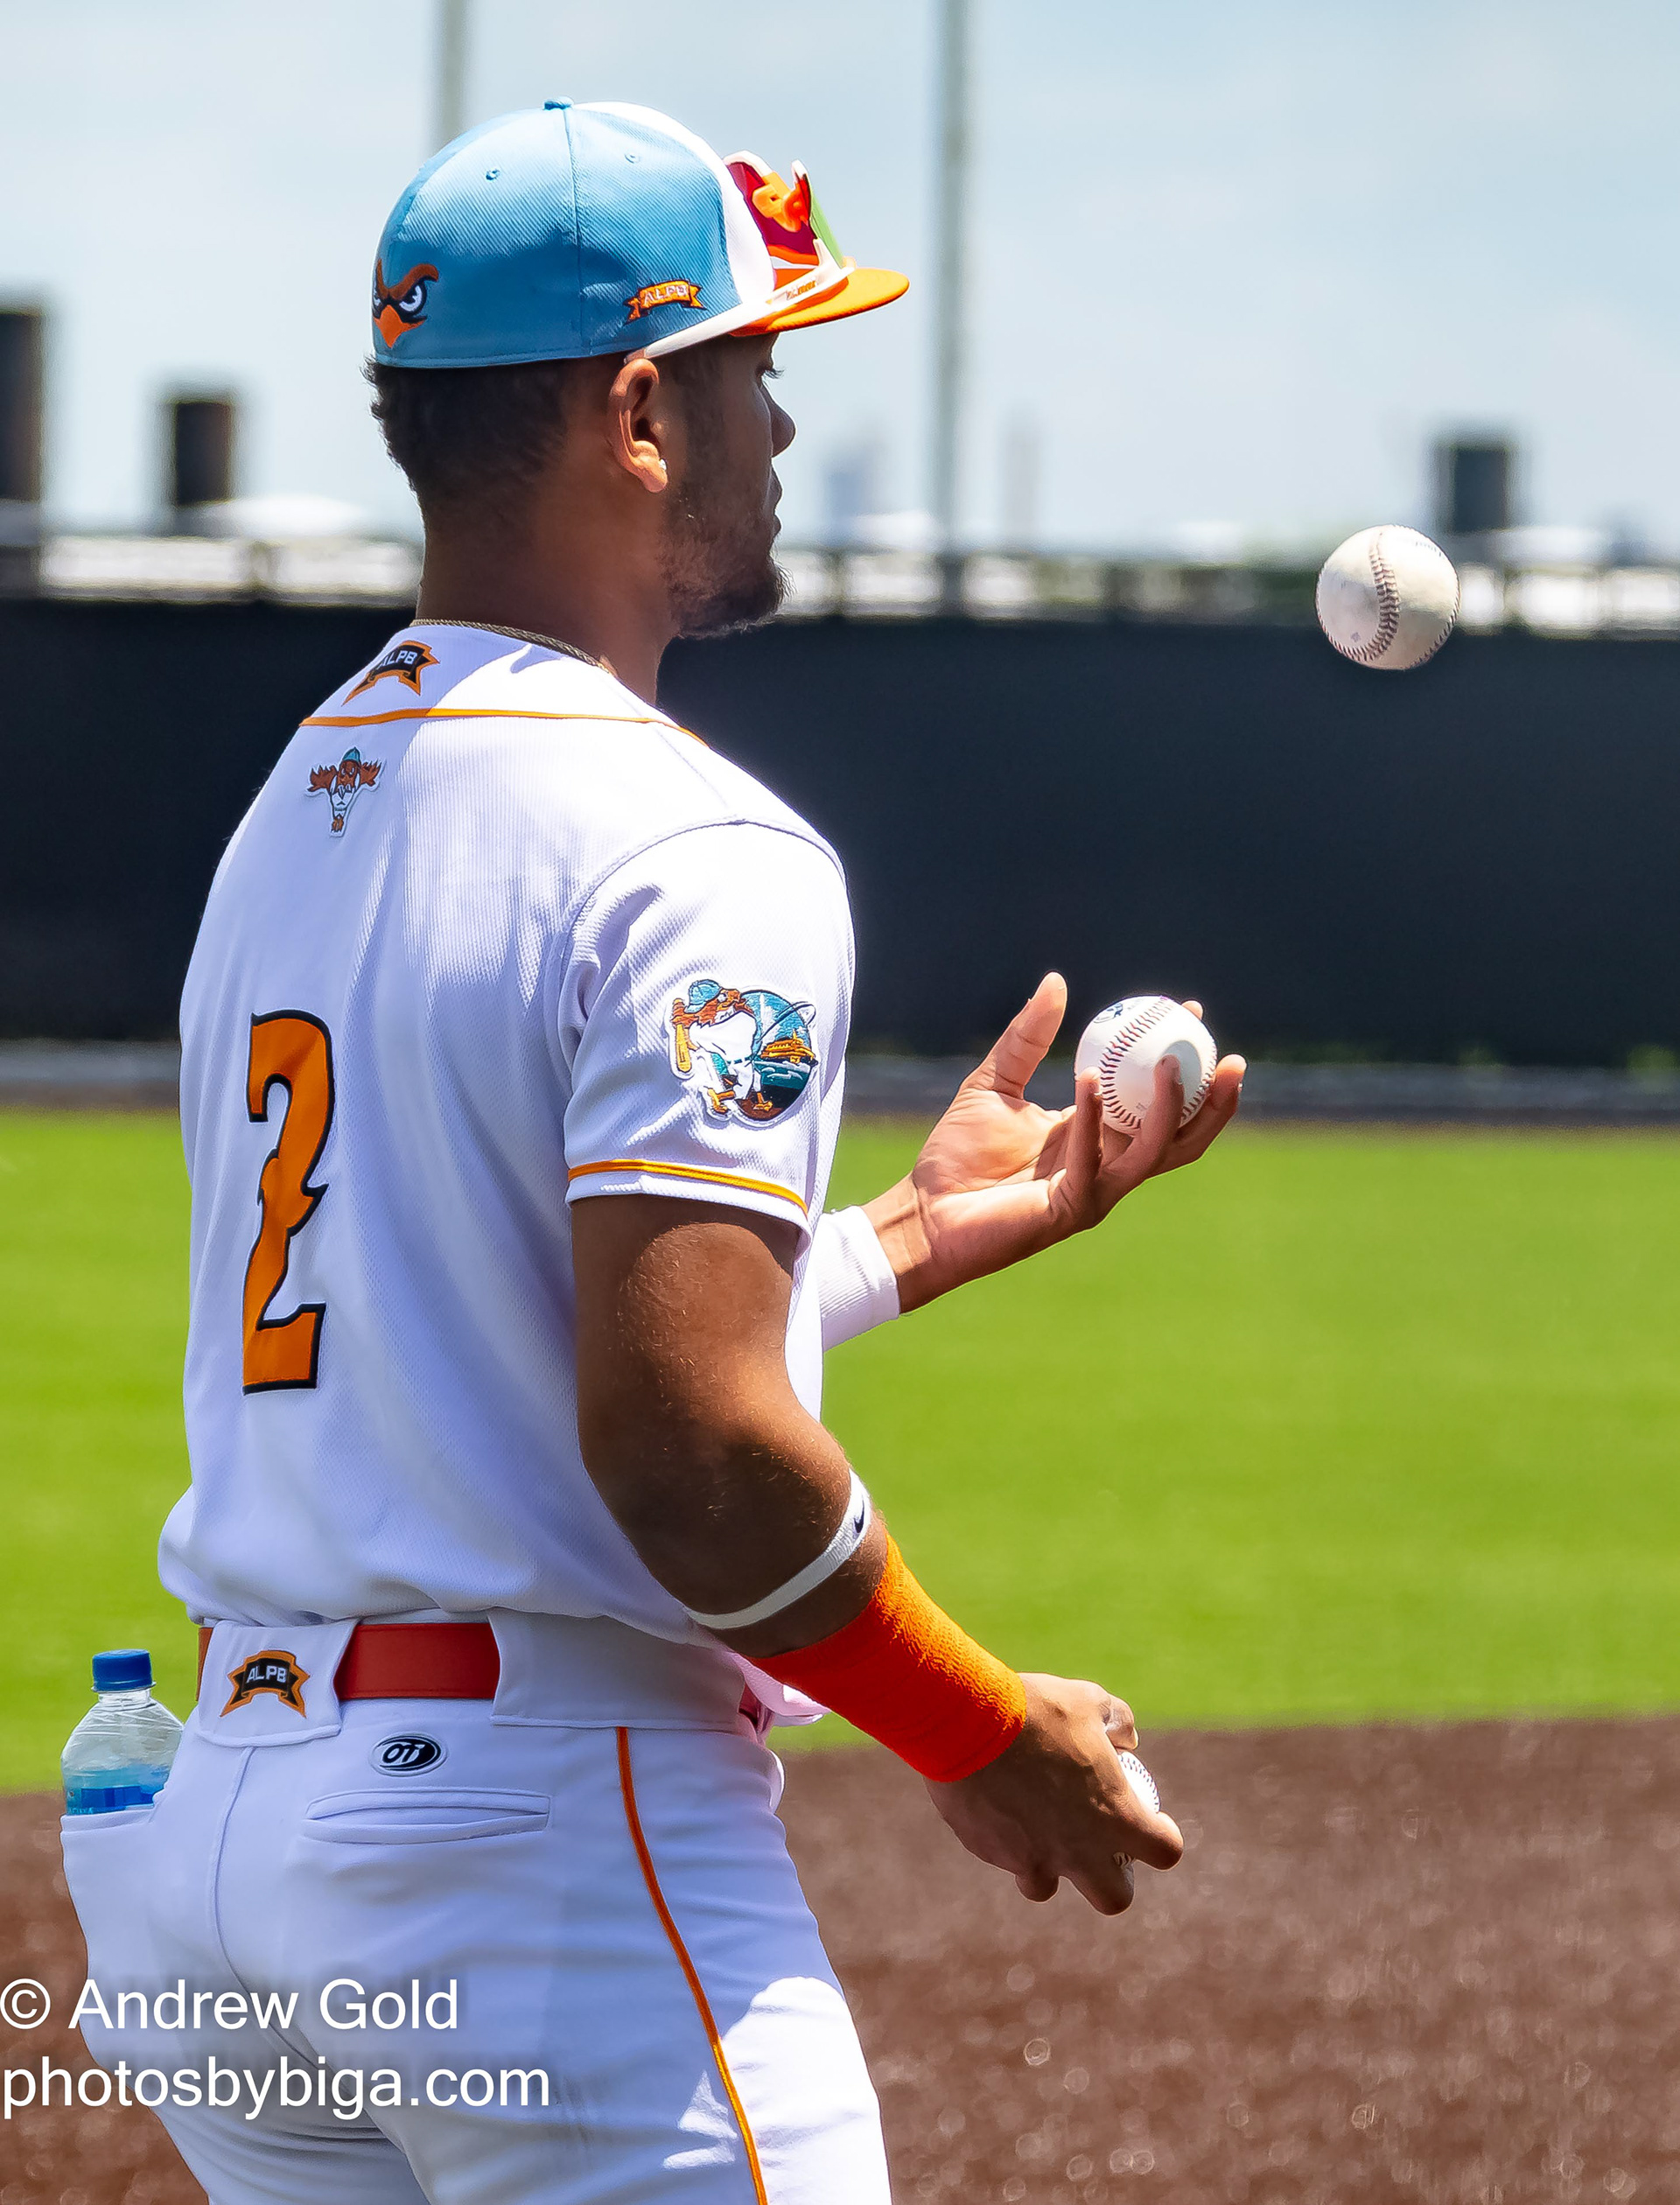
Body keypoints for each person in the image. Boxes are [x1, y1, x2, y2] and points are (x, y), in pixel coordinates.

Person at [62, 99, 1244, 2204]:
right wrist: (975, 1727)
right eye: (752, 367)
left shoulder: (298, 800)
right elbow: (687, 1457)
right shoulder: (695, 839)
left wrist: (890, 1236)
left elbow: (456, 1321)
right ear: (636, 411)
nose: (775, 423)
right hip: (523, 1861)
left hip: (220, 1837)